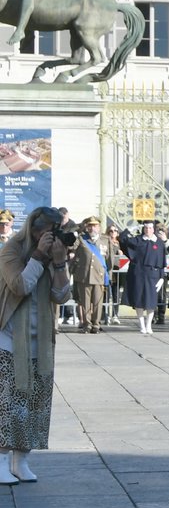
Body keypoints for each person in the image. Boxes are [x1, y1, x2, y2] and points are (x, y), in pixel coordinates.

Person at [0, 206, 73, 485]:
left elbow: (61, 296)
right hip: (8, 340)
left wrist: (59, 263)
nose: (51, 238)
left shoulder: (53, 253)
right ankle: (1, 460)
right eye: (47, 233)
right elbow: (20, 286)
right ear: (33, 230)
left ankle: (21, 460)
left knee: (34, 403)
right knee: (7, 404)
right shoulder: (11, 250)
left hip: (39, 341)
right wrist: (39, 256)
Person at [117, 220, 166, 334]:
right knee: (138, 300)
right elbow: (122, 239)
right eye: (145, 228)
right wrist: (130, 229)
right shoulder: (138, 240)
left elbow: (162, 261)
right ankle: (142, 325)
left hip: (153, 275)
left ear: (153, 229)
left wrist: (161, 277)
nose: (148, 230)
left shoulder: (159, 242)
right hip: (138, 274)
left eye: (150, 228)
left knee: (151, 302)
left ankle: (149, 325)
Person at [70, 215, 111, 333]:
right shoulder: (81, 239)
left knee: (98, 302)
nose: (92, 228)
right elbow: (71, 247)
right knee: (85, 302)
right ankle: (87, 324)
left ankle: (96, 324)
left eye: (95, 226)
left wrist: (108, 274)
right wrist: (75, 233)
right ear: (86, 227)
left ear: (99, 227)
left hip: (99, 275)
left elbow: (109, 259)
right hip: (85, 275)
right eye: (90, 226)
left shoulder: (105, 240)